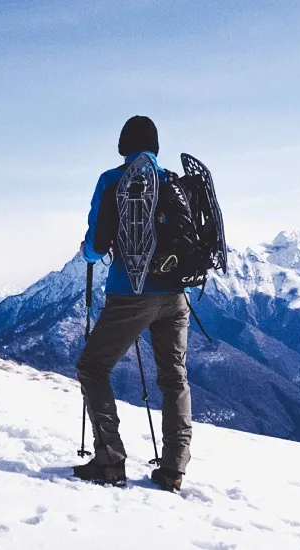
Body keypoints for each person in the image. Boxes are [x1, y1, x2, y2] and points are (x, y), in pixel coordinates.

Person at [72, 115, 191, 491]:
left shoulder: (112, 181)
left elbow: (96, 245)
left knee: (93, 366)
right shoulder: (172, 180)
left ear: (123, 146)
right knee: (174, 377)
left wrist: (87, 251)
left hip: (129, 294)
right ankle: (173, 467)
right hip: (175, 295)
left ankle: (110, 459)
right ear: (156, 147)